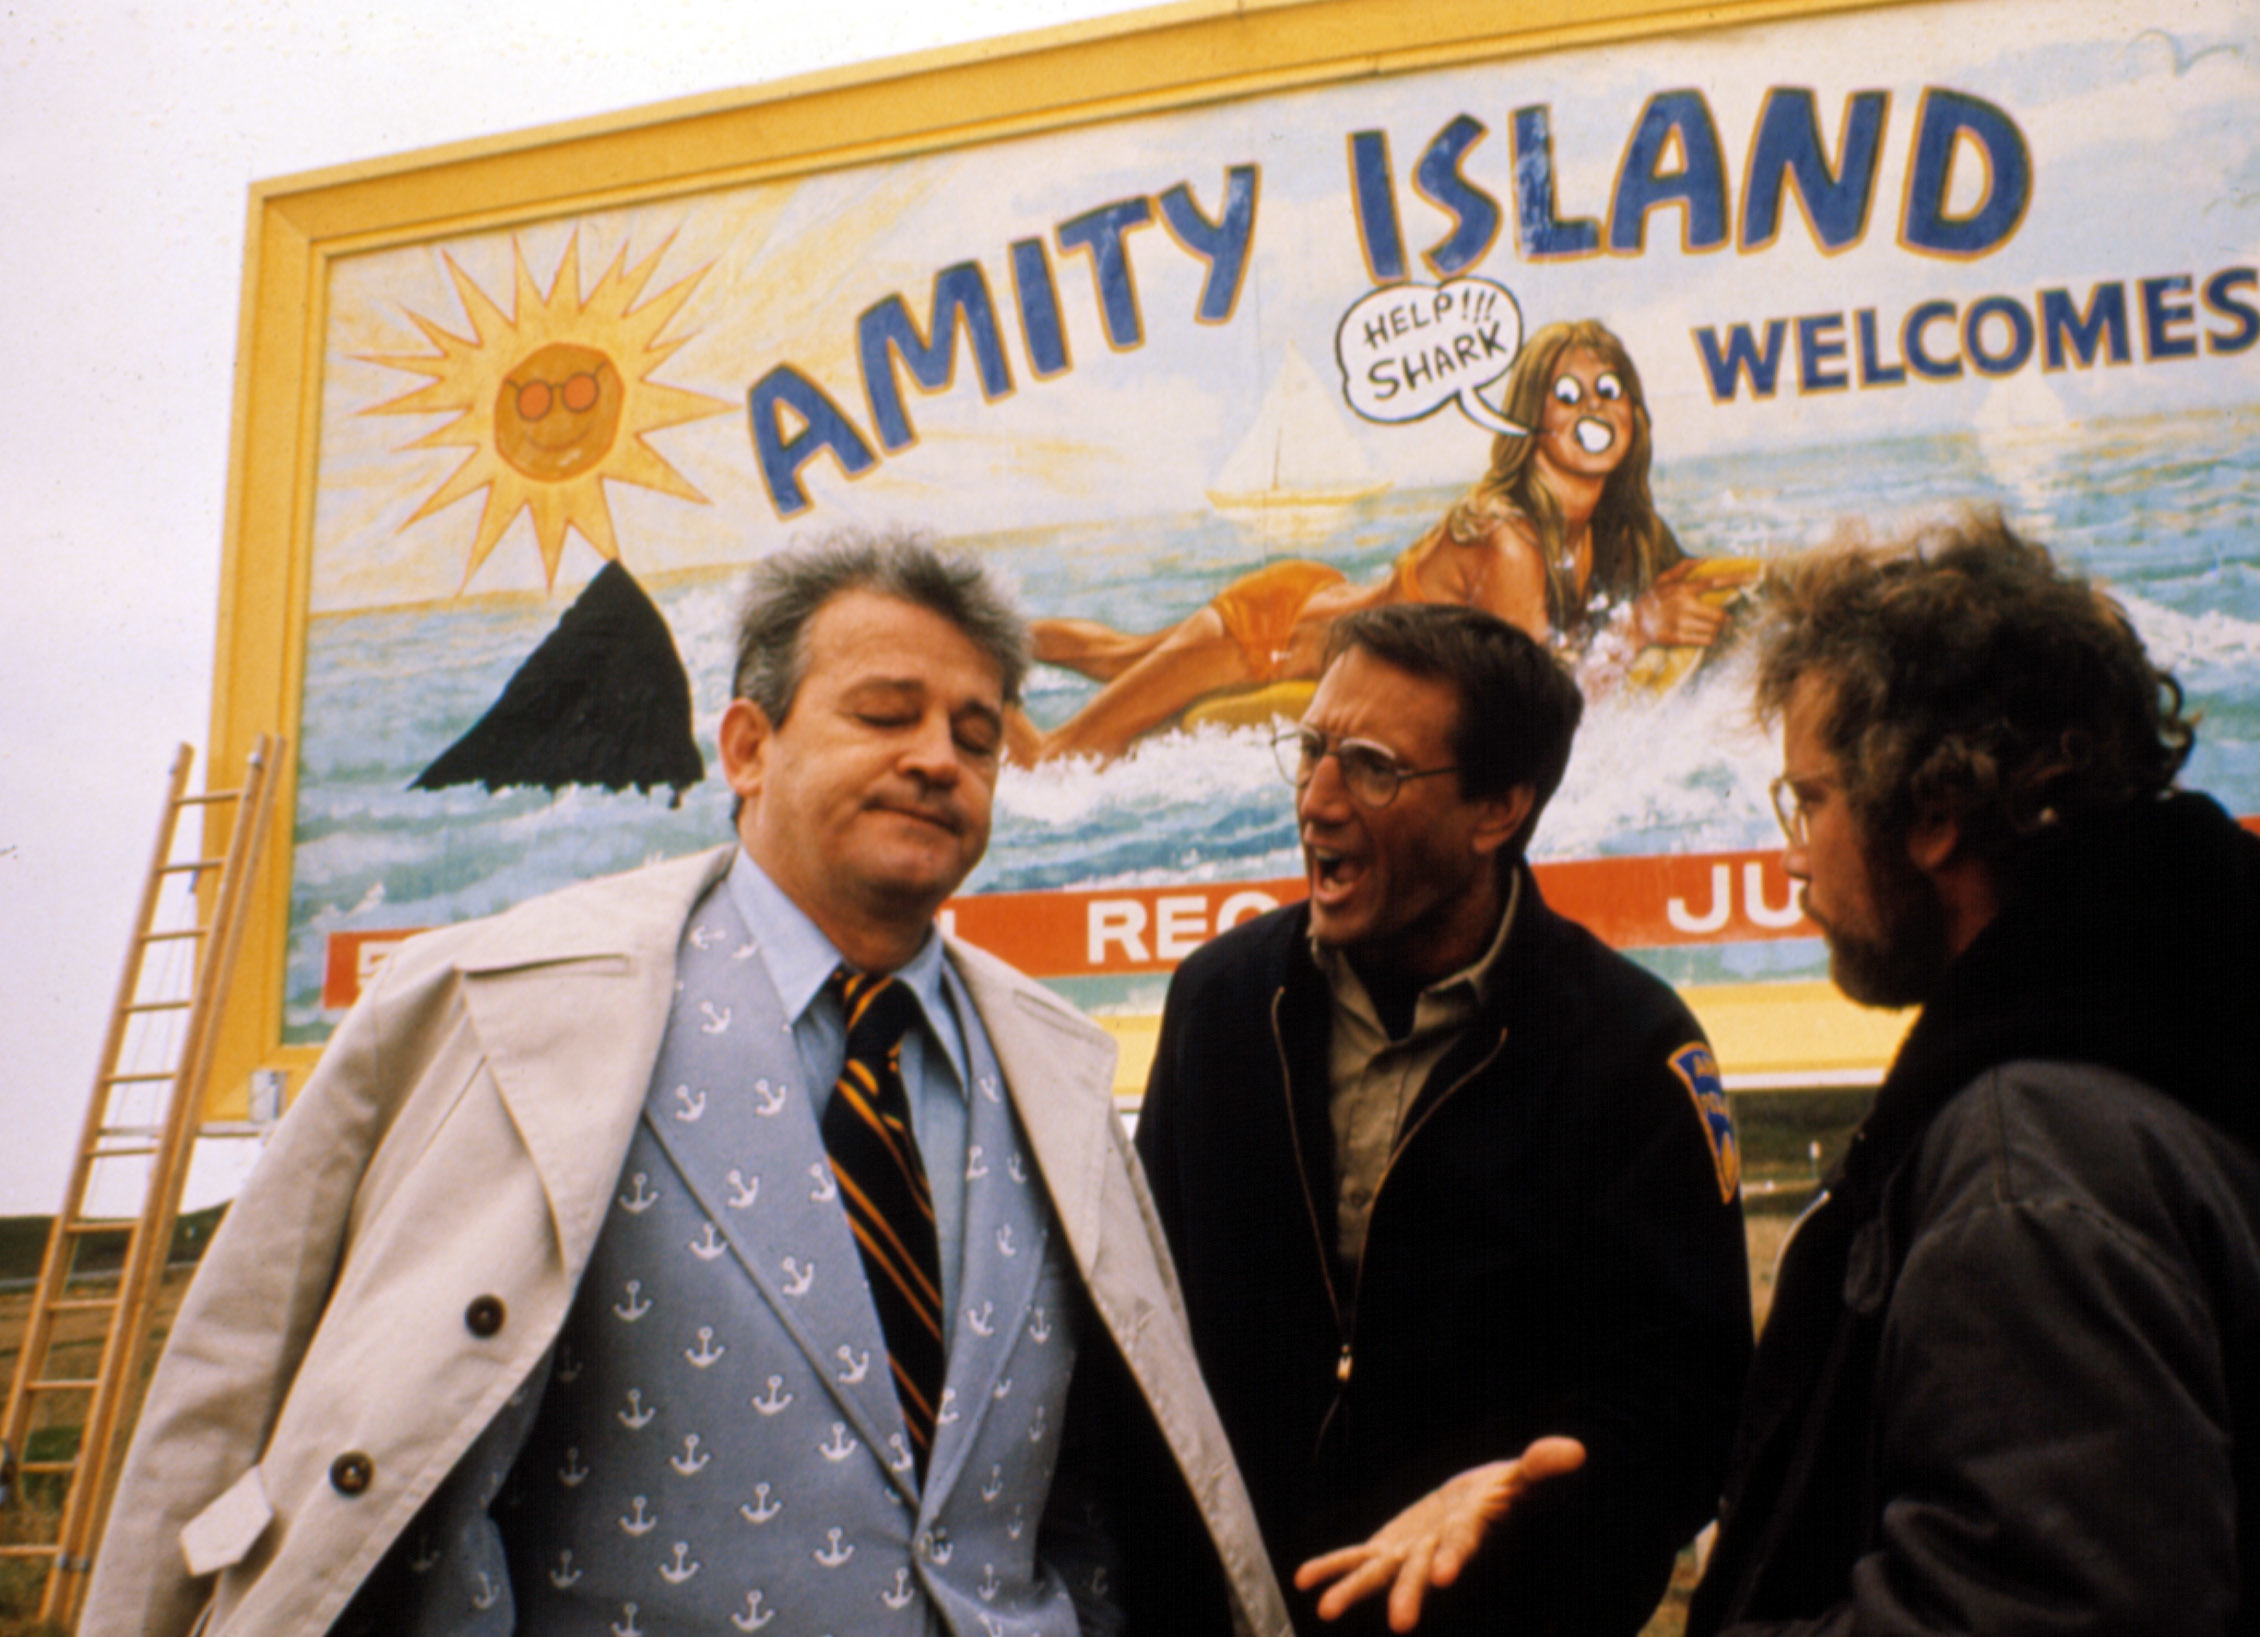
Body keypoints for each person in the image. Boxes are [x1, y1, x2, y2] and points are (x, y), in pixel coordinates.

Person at [85, 535, 1290, 1637]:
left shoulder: (1057, 1067)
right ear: (748, 746)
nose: (938, 758)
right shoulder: (495, 1002)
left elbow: (1095, 1476)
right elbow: (234, 1382)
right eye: (885, 713)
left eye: (977, 737)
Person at [1687, 511, 2260, 1635]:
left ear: (1929, 810)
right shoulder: (2205, 1029)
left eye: (1807, 799)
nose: (1790, 853)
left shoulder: (2034, 1156)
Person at [1134, 602, 1755, 1634]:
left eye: (1371, 766)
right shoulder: (1221, 1000)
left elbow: (1688, 1414)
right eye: (1310, 749)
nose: (1318, 800)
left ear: (1496, 807)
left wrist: (1526, 1512)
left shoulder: (1629, 1049)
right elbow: (1140, 1326)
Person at [1010, 320, 1751, 766]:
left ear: (1633, 412)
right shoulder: (1507, 538)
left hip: (1316, 591)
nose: (1593, 409)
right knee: (1054, 757)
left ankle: (1010, 637)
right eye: (1567, 395)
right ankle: (981, 664)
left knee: (1113, 655)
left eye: (1608, 390)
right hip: (1264, 635)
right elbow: (1541, 704)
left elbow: (1690, 573)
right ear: (1534, 421)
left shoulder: (1619, 527)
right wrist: (1642, 625)